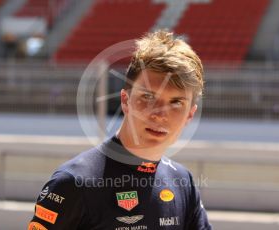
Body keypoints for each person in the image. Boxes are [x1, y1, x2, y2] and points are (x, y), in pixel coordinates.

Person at [28, 30, 212, 230]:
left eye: (176, 102)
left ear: (190, 115)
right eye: (148, 97)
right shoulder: (73, 182)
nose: (160, 114)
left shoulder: (183, 182)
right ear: (125, 101)